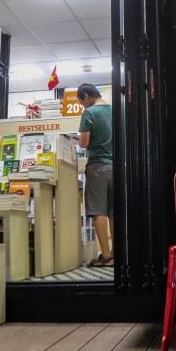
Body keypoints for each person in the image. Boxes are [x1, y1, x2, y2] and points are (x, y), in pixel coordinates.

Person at [77, 83, 113, 267]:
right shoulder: (115, 110)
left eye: (82, 103)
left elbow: (84, 143)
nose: (83, 106)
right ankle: (117, 253)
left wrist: (79, 139)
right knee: (114, 212)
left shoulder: (89, 113)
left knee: (99, 210)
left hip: (97, 166)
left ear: (85, 96)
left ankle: (106, 256)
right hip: (116, 167)